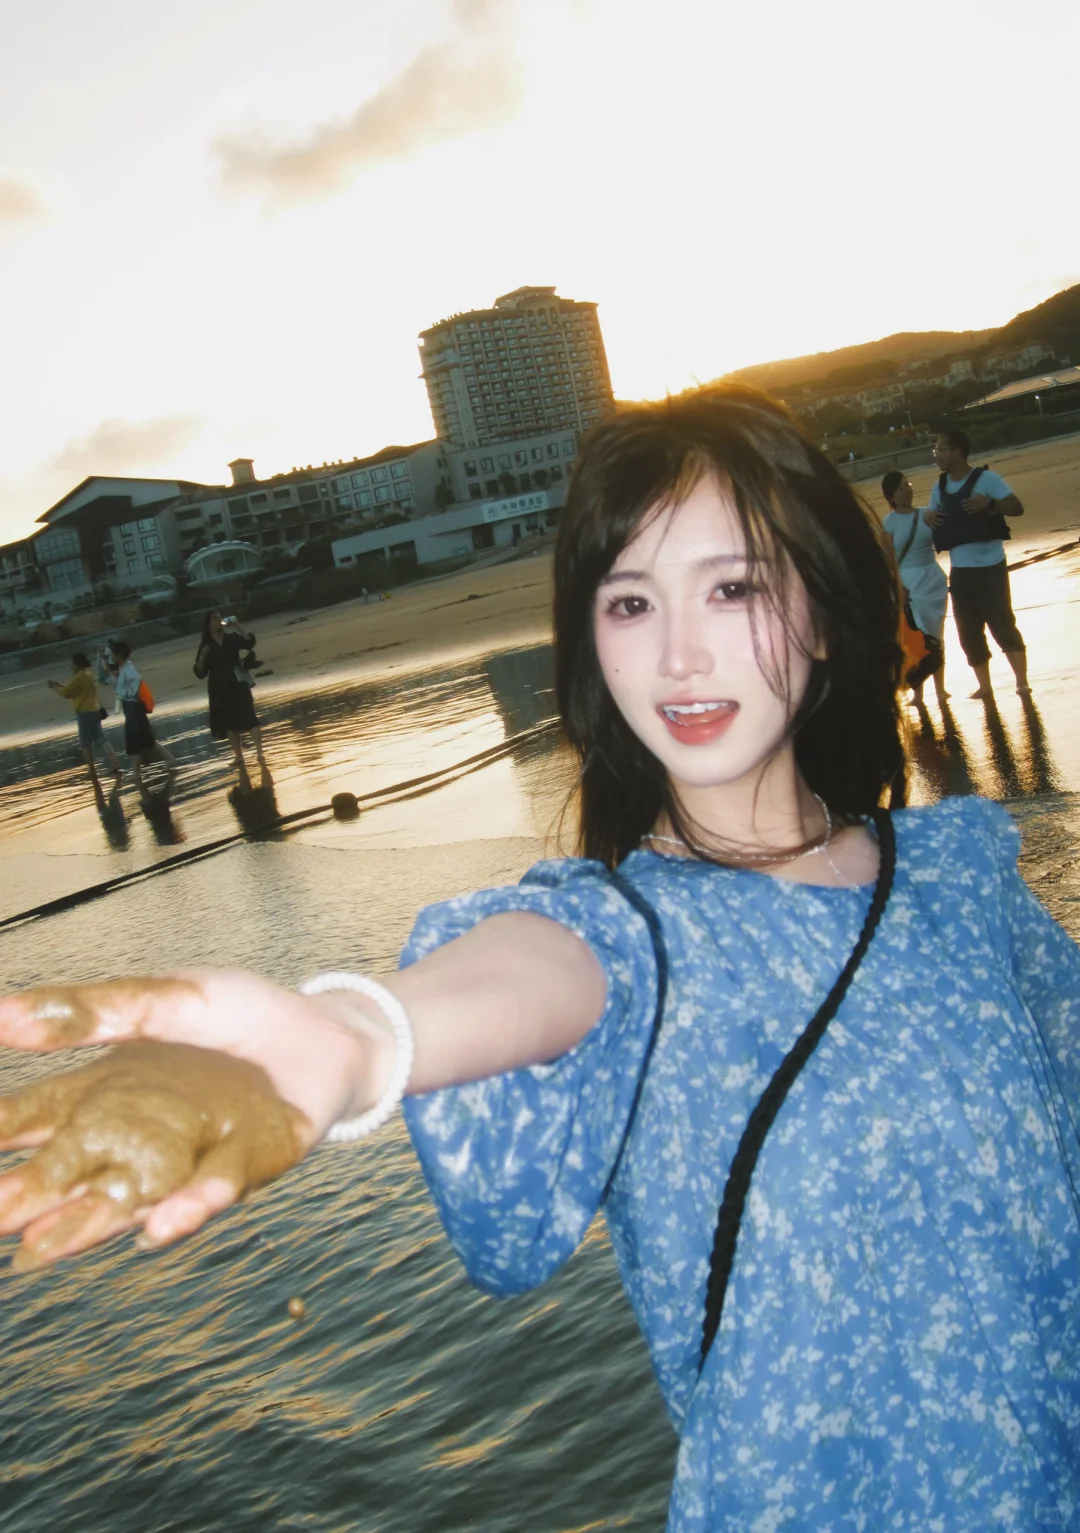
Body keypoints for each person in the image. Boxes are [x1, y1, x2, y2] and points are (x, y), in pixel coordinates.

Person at [1, 385, 1078, 1531]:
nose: (679, 655)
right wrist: (353, 1037)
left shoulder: (964, 878)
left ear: (823, 611)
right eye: (630, 602)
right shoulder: (628, 933)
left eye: (733, 587)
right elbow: (529, 977)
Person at [923, 429, 1028, 699]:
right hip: (960, 571)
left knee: (1002, 624)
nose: (937, 455)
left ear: (957, 451)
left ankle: (1021, 682)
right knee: (968, 632)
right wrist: (929, 518)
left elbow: (1017, 507)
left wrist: (989, 503)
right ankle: (985, 686)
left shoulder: (986, 479)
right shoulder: (939, 487)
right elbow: (931, 514)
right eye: (936, 450)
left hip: (991, 567)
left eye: (941, 449)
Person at [880, 469, 949, 706]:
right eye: (900, 488)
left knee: (936, 634)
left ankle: (941, 690)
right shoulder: (889, 522)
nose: (906, 491)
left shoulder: (925, 514)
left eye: (907, 485)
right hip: (907, 582)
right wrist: (898, 587)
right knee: (915, 636)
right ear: (891, 496)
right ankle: (918, 692)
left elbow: (944, 535)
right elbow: (888, 560)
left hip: (931, 578)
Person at [193, 611, 271, 792]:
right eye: (214, 619)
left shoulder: (231, 638)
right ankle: (239, 756)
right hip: (218, 687)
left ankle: (260, 753)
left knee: (250, 716)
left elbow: (249, 641)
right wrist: (203, 656)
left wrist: (236, 623)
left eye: (219, 618)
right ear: (208, 625)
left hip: (237, 681)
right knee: (228, 723)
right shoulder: (206, 646)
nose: (218, 621)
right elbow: (200, 672)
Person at [108, 640, 177, 797]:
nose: (111, 657)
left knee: (136, 741)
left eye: (113, 654)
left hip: (134, 708)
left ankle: (136, 773)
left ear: (119, 655)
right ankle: (170, 760)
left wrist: (128, 693)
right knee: (146, 740)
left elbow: (135, 683)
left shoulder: (128, 669)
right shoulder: (124, 668)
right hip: (133, 708)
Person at [47, 651, 122, 791]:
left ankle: (91, 772)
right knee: (101, 739)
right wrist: (59, 686)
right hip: (94, 710)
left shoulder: (78, 678)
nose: (71, 667)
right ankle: (116, 764)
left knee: (85, 743)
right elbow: (72, 690)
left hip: (84, 713)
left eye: (72, 664)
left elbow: (66, 693)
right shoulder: (88, 674)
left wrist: (55, 687)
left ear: (77, 664)